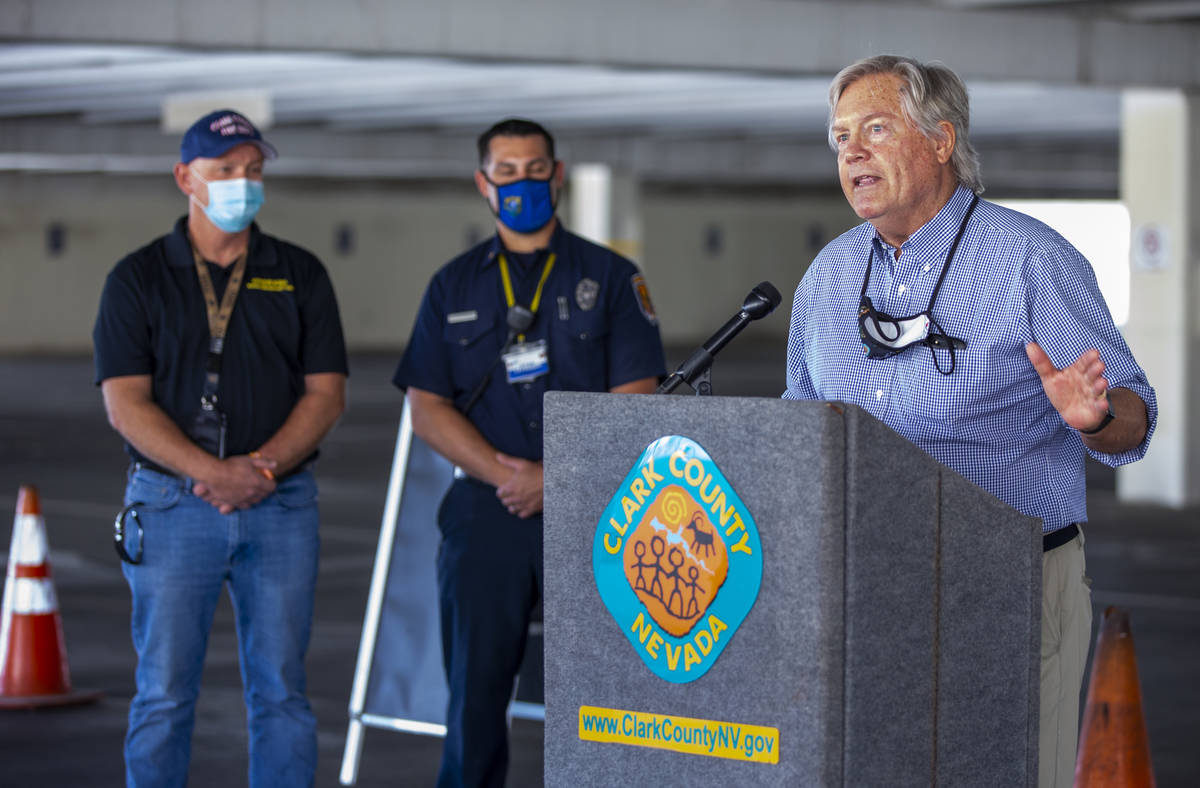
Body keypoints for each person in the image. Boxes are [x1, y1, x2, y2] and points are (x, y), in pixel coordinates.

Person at [783, 56, 1156, 788]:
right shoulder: (826, 277)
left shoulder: (1031, 261)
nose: (851, 153)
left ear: (941, 140)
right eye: (839, 139)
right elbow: (803, 437)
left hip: (1012, 583)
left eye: (876, 129)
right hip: (869, 588)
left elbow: (1134, 419)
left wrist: (1094, 416)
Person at [394, 117, 666, 787]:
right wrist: (508, 476)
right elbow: (426, 406)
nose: (523, 183)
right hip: (487, 511)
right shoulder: (452, 286)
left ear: (558, 173)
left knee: (611, 694)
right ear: (484, 184)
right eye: (506, 172)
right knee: (475, 695)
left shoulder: (610, 277)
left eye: (535, 169)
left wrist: (561, 480)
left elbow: (638, 394)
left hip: (599, 512)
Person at [93, 109, 348, 787]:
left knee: (283, 694)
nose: (243, 183)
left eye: (254, 171)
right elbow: (125, 402)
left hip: (280, 503)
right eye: (226, 171)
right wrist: (214, 473)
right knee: (165, 695)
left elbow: (326, 394)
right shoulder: (138, 278)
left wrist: (261, 470)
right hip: (175, 506)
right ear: (185, 177)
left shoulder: (299, 274)